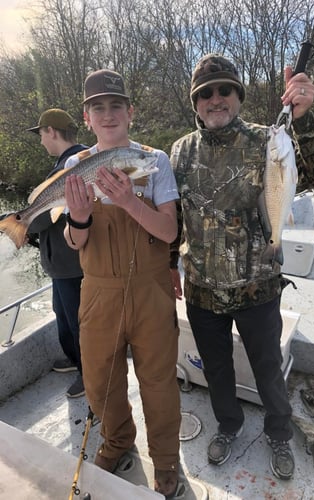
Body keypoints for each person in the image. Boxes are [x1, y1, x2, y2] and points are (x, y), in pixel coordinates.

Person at [169, 54, 314, 480]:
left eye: (225, 90)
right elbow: (172, 218)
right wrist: (170, 262)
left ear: (238, 96)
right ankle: (229, 426)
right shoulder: (180, 152)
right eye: (206, 93)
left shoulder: (270, 141)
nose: (216, 99)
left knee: (268, 371)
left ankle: (278, 433)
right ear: (196, 103)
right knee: (217, 370)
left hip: (257, 289)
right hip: (203, 292)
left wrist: (303, 119)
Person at [62, 69, 181, 498]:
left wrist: (130, 200)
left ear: (130, 112)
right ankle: (117, 440)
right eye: (98, 107)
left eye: (116, 106)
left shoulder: (156, 160)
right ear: (87, 117)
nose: (108, 114)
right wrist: (78, 216)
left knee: (159, 380)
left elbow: (169, 232)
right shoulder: (75, 167)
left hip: (151, 290)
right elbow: (75, 241)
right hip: (99, 292)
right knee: (99, 378)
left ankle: (167, 459)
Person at [27, 109, 88, 398]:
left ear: (51, 131)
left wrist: (20, 221)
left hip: (74, 266)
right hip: (59, 265)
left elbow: (45, 216)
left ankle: (89, 375)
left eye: (41, 134)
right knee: (62, 316)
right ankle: (76, 360)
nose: (41, 142)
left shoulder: (76, 166)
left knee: (80, 323)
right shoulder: (63, 164)